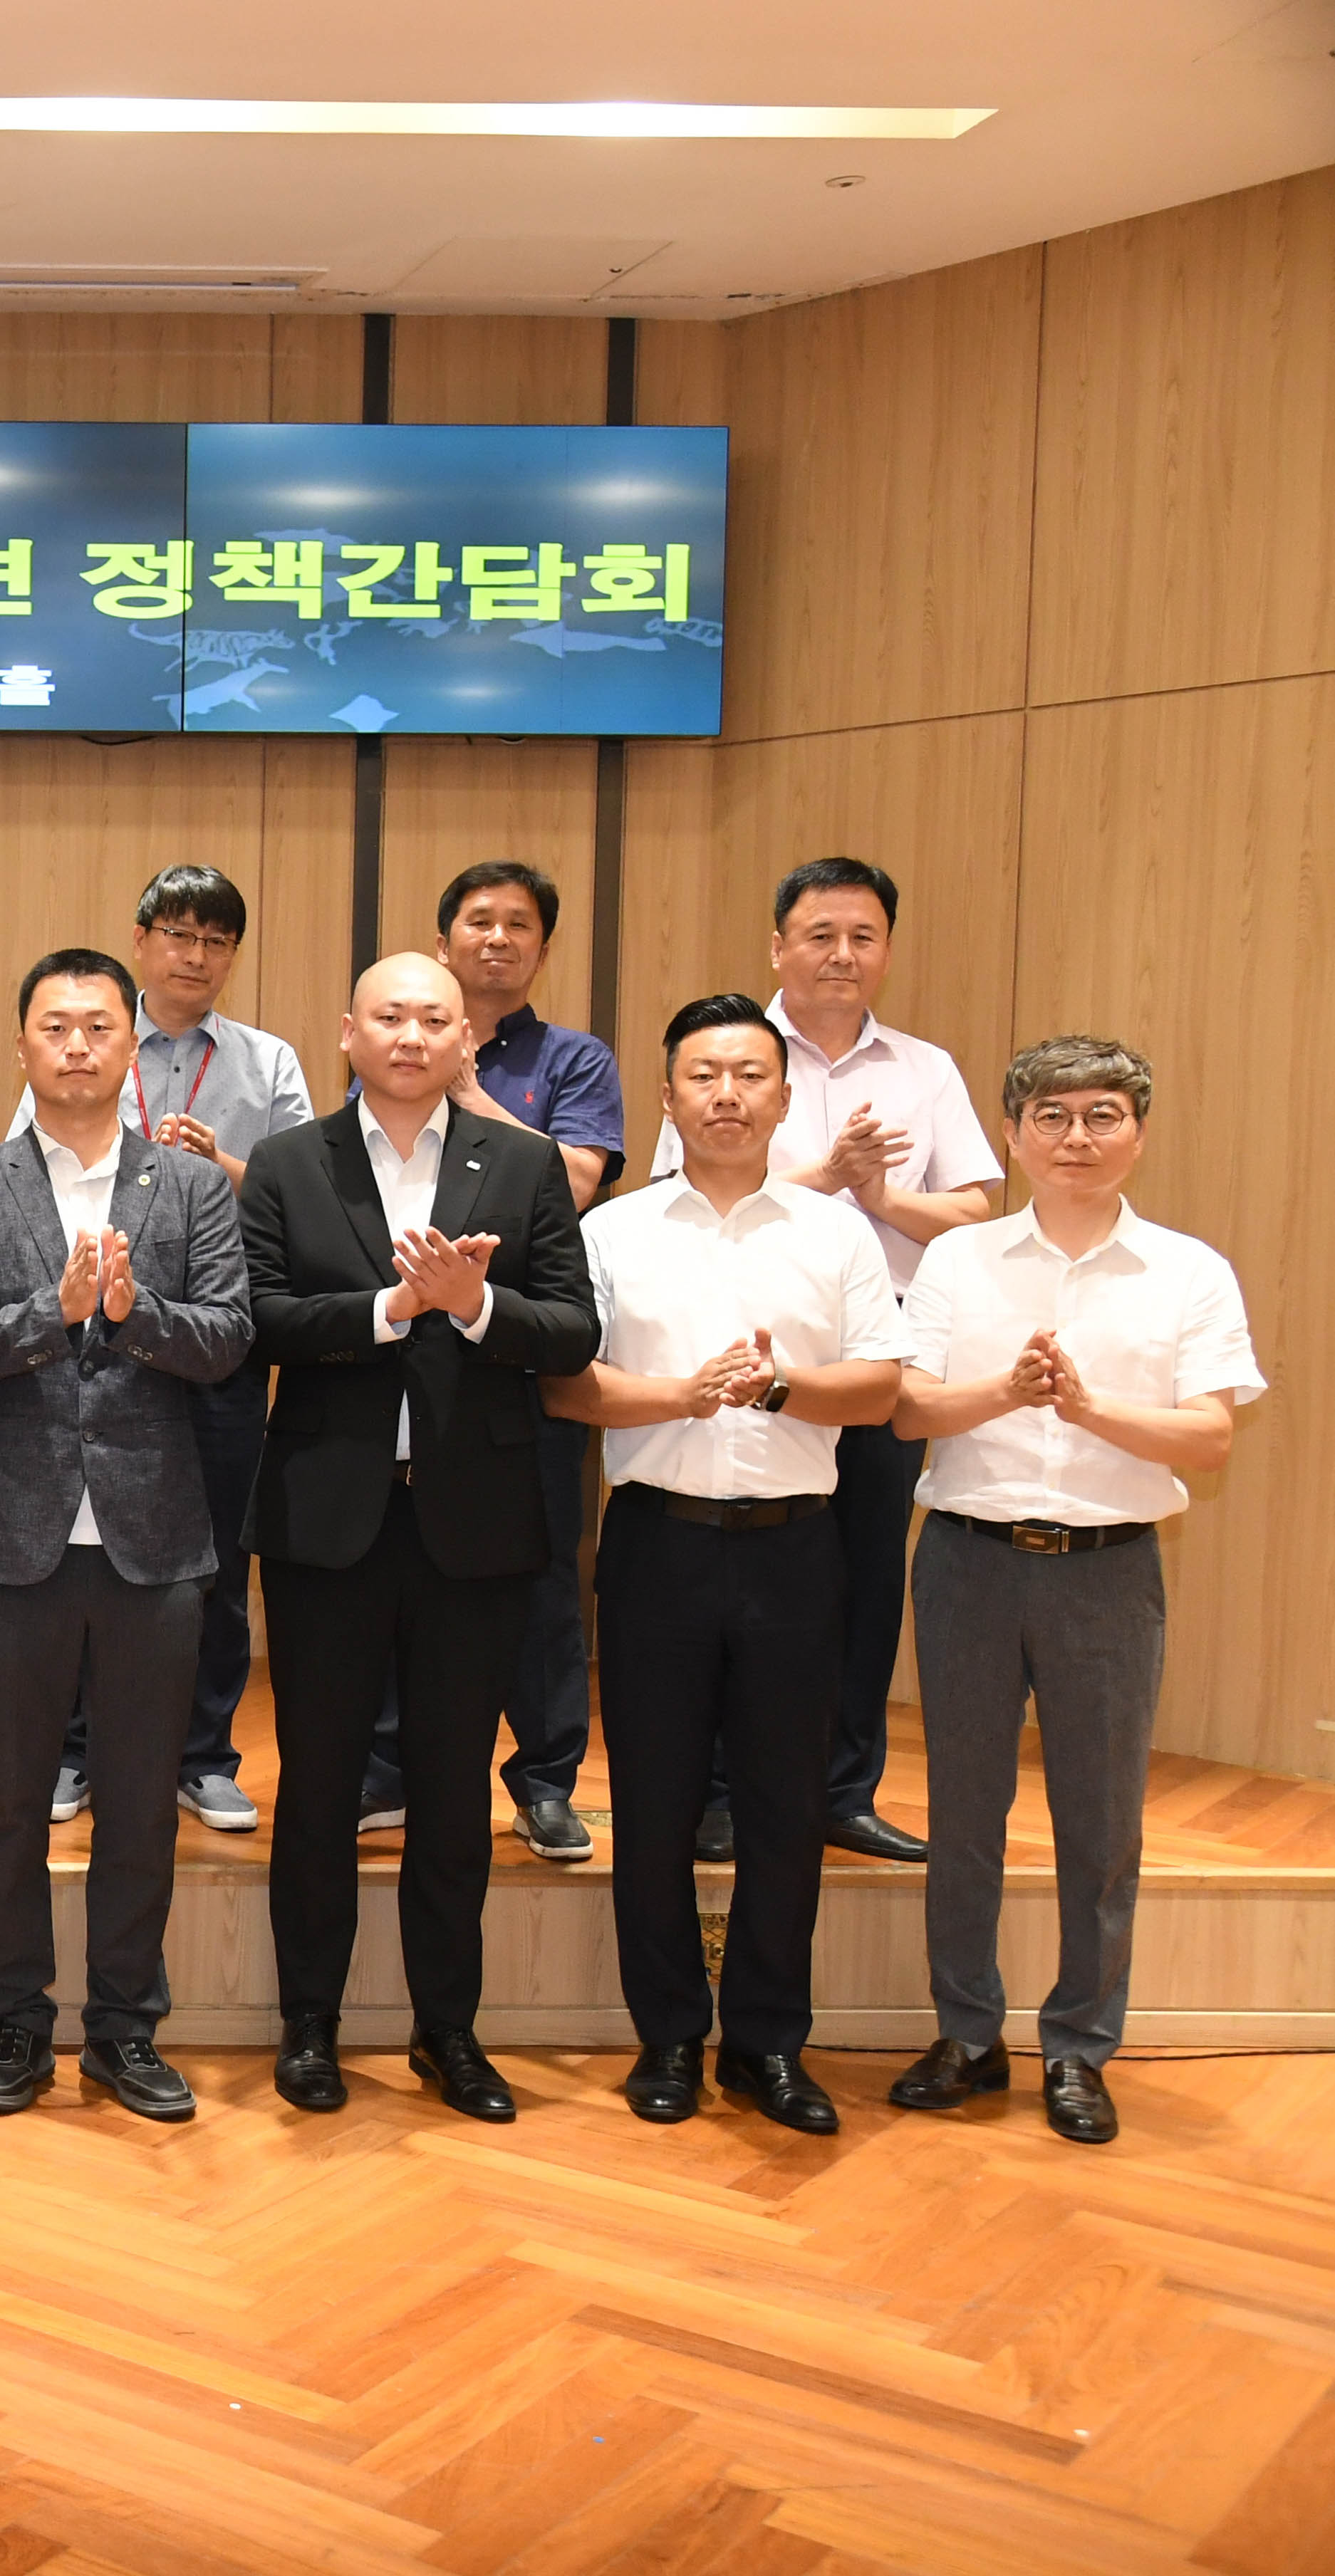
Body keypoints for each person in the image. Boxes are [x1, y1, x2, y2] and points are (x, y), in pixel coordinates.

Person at [239, 954, 599, 2122]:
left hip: (474, 1528)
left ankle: (449, 2031)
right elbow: (257, 1321)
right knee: (321, 1789)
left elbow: (570, 1330)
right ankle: (308, 2027)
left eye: (431, 1018)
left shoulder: (527, 1163)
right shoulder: (294, 1163)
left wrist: (474, 1306)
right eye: (387, 1015)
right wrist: (390, 1309)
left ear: (464, 1043)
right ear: (346, 1031)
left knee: (450, 1795)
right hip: (327, 1524)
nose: (408, 1034)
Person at [544, 997, 910, 2134]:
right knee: (651, 1806)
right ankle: (665, 2038)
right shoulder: (612, 1230)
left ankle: (764, 2044)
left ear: (782, 1097)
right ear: (667, 1098)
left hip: (795, 1551)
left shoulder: (834, 1233)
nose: (726, 1094)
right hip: (657, 1542)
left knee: (783, 1806)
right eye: (702, 1074)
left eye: (749, 1075)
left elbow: (883, 1387)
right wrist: (686, 1396)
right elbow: (567, 1384)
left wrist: (777, 1389)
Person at [887, 1036, 1260, 2147]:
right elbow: (908, 1411)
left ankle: (1078, 2048)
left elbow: (1209, 1438)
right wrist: (1008, 1389)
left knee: (1098, 1826)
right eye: (1050, 1117)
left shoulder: (1188, 1270)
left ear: (1138, 1132)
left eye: (1102, 1115)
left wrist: (1088, 1410)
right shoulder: (959, 1262)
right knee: (961, 1815)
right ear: (1011, 1136)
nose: (1076, 1138)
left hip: (1107, 1574)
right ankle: (965, 2033)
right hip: (966, 1560)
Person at [0, 953, 251, 2122]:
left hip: (153, 1538)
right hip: (8, 1538)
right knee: (9, 1796)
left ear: (128, 1047)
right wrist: (52, 1315)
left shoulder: (192, 1186)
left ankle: (124, 2027)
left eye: (96, 1027)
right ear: (21, 1046)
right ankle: (12, 2024)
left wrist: (131, 1312)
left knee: (139, 1796)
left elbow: (223, 1341)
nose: (74, 1045)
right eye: (53, 1026)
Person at [652, 856, 999, 1865]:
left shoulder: (923, 1069)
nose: (841, 954)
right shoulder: (727, 1052)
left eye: (861, 936)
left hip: (872, 1360)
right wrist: (829, 1177)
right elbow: (689, 1184)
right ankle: (720, 1793)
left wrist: (882, 1201)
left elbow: (975, 1209)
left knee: (857, 1580)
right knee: (726, 1581)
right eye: (819, 935)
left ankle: (843, 1788)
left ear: (885, 950)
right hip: (725, 1362)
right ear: (778, 946)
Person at [15, 868, 315, 1838]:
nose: (193, 955)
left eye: (215, 941)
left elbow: (304, 1200)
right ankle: (74, 1750)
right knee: (75, 1551)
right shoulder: (84, 1034)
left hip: (211, 1335)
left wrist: (217, 1165)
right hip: (88, 1343)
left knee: (211, 1561)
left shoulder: (267, 1062)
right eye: (178, 934)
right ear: (141, 940)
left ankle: (202, 1756)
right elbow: (18, 1182)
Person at [358, 862, 626, 1864]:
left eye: (519, 925)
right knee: (392, 1568)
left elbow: (579, 1181)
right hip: (399, 1369)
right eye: (477, 920)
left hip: (520, 1362)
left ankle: (545, 1778)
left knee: (543, 1578)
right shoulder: (396, 1037)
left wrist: (466, 1094)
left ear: (543, 948)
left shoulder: (571, 1059)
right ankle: (386, 1769)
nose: (497, 939)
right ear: (442, 940)